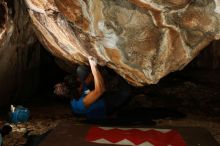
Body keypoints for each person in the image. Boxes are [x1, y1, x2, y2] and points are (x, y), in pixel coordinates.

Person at [54, 56, 131, 120]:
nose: (80, 82)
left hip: (95, 96)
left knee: (81, 70)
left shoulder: (76, 90)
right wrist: (94, 67)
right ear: (76, 90)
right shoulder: (80, 103)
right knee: (125, 91)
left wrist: (95, 65)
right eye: (78, 83)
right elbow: (101, 89)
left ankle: (106, 77)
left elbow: (89, 77)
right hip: (105, 106)